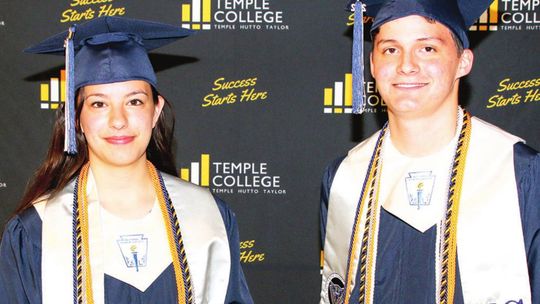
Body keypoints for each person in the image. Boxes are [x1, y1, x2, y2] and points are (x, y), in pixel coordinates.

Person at [0, 16, 253, 304]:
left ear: (155, 111)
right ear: (76, 118)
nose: (118, 120)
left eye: (134, 101)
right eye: (98, 104)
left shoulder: (208, 218)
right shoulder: (36, 232)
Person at [319, 0, 540, 303]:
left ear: (463, 61)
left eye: (427, 49)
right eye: (390, 50)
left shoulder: (518, 173)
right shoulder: (345, 179)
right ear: (371, 64)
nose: (406, 65)